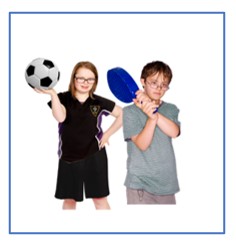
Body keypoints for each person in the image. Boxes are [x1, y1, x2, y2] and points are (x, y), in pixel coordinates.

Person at [35, 61, 122, 210]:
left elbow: (122, 114)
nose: (85, 82)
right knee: (69, 200)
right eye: (81, 78)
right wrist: (53, 94)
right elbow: (60, 117)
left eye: (90, 79)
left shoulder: (99, 102)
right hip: (69, 157)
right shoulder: (62, 98)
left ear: (95, 81)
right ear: (73, 78)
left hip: (95, 155)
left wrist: (107, 134)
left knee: (100, 199)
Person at [123, 60, 180, 204]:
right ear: (143, 81)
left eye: (164, 85)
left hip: (167, 185)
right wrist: (151, 119)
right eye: (154, 83)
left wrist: (154, 113)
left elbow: (174, 132)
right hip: (140, 185)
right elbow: (142, 144)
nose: (159, 88)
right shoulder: (130, 112)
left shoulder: (171, 109)